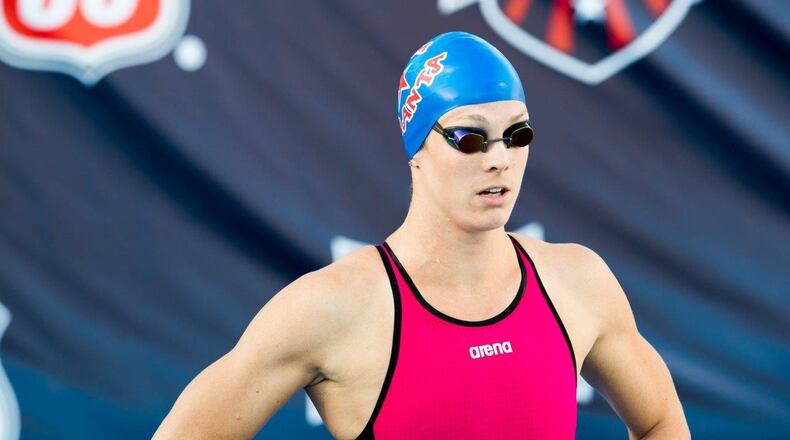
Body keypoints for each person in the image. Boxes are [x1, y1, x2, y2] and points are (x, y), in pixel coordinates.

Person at [154, 31, 690, 439]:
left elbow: (661, 420)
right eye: (469, 138)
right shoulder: (334, 308)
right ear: (416, 148)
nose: (500, 159)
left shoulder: (577, 282)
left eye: (517, 134)